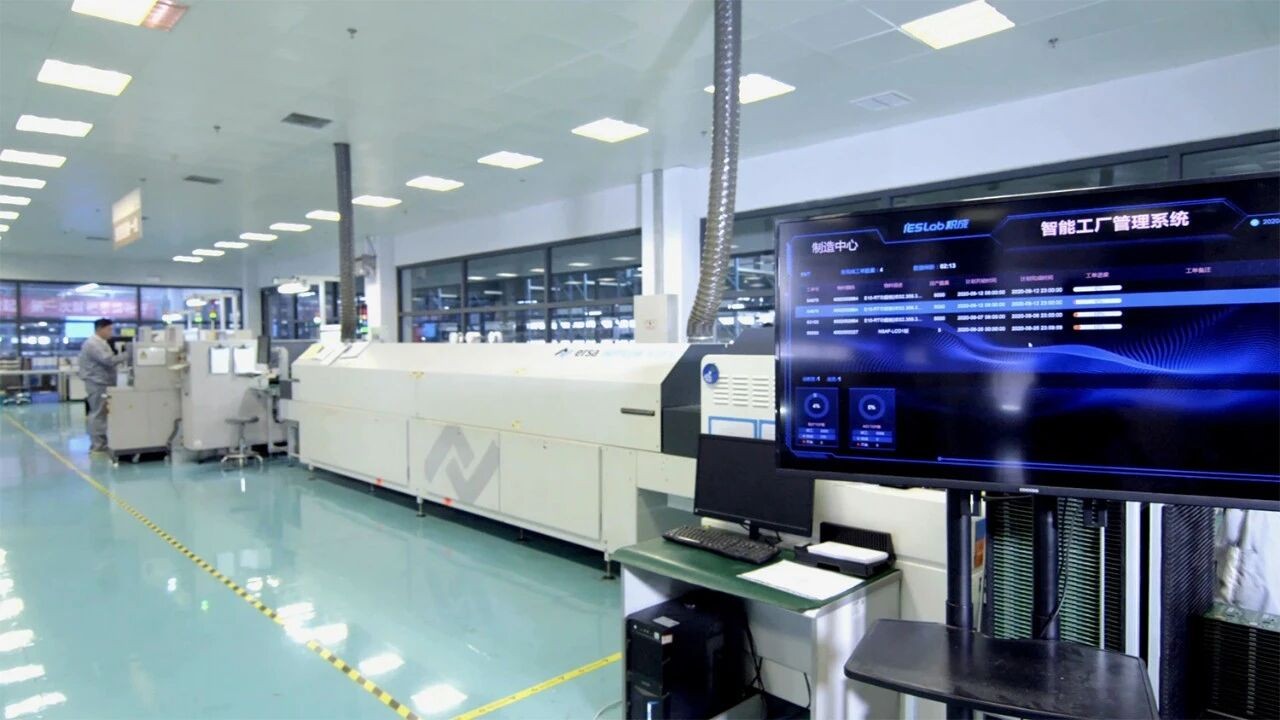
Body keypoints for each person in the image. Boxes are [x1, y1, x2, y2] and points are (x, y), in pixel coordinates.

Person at [78, 318, 127, 453]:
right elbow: (108, 360)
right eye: (109, 329)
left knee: (102, 413)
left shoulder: (101, 342)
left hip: (103, 381)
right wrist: (129, 354)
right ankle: (97, 445)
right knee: (98, 413)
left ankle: (102, 442)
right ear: (100, 329)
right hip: (97, 382)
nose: (111, 332)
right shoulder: (93, 344)